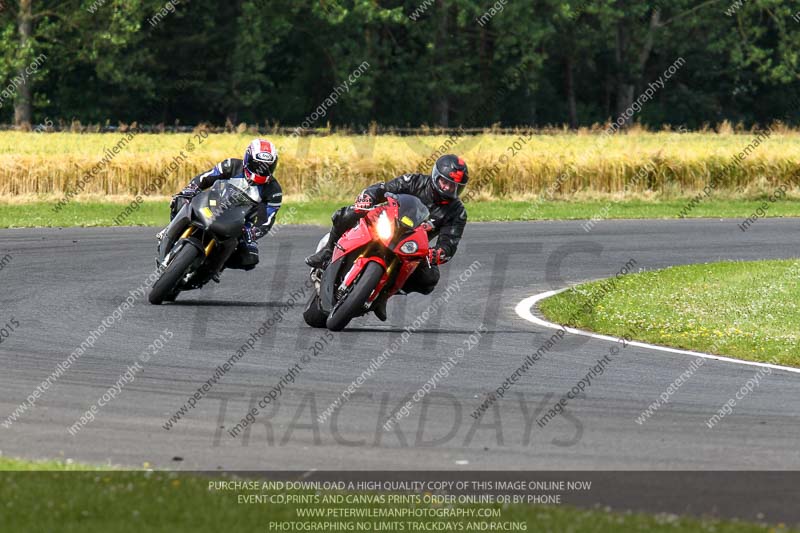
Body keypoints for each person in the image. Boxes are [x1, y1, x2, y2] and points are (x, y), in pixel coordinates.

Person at [305, 154, 469, 321]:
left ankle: (383, 295)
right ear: (435, 176)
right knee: (346, 214)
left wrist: (438, 253)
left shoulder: (457, 212)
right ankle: (327, 250)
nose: (448, 188)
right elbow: (382, 189)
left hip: (411, 243)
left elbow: (450, 242)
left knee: (430, 279)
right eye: (445, 182)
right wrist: (368, 197)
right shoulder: (414, 181)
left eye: (455, 186)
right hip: (388, 221)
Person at [168, 138, 282, 274]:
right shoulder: (231, 165)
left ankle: (215, 267)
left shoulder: (274, 190)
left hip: (241, 223)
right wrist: (190, 189)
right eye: (257, 165)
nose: (261, 170)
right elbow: (206, 177)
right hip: (212, 203)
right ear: (248, 158)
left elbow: (266, 220)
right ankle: (168, 232)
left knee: (249, 258)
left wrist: (252, 232)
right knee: (180, 200)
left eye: (267, 167)